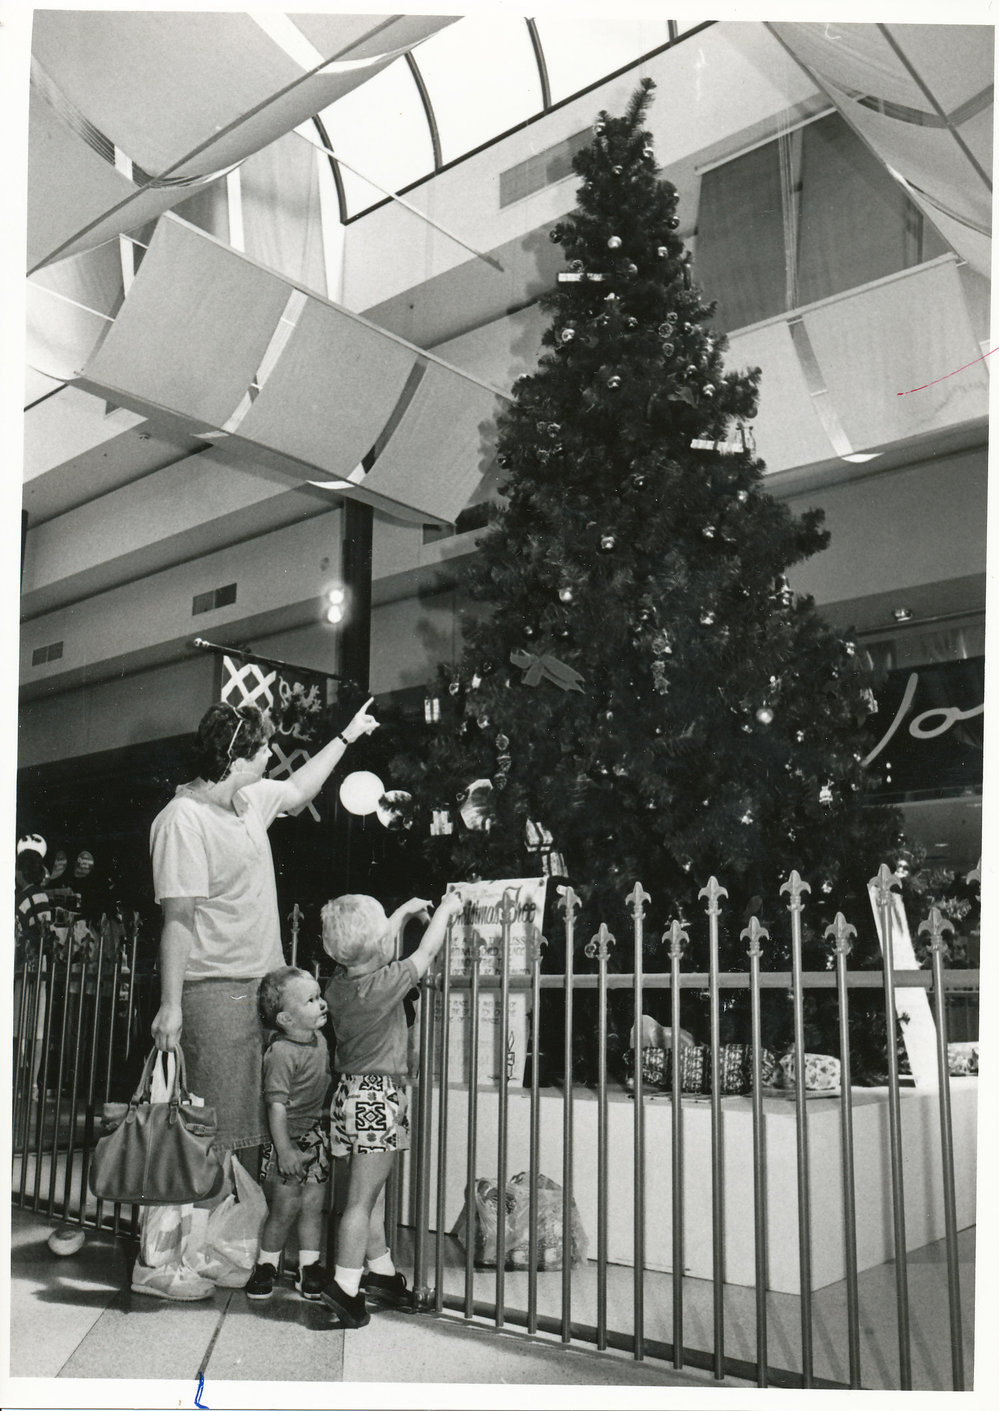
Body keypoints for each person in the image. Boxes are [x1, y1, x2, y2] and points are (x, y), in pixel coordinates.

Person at [140, 695, 377, 1301]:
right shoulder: (182, 820)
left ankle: (212, 1247)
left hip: (261, 988)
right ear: (234, 757)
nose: (271, 757)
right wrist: (171, 1004)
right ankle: (165, 1262)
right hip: (211, 988)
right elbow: (179, 919)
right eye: (263, 749)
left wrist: (347, 737)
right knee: (204, 1131)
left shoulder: (248, 802)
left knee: (241, 1130)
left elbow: (298, 790)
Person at [318, 888, 465, 1328]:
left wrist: (400, 912)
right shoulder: (385, 984)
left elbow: (379, 944)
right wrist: (446, 911)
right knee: (361, 1202)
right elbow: (426, 951)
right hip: (378, 1098)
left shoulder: (339, 986)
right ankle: (345, 1288)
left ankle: (380, 1271)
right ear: (378, 943)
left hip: (349, 1096)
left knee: (369, 1196)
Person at [246, 967, 333, 1303]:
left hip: (313, 1134)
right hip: (286, 1138)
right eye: (310, 1000)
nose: (321, 1004)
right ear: (286, 1019)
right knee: (286, 1205)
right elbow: (276, 1106)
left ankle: (309, 1267)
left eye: (319, 996)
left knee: (313, 1204)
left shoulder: (319, 1040)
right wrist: (284, 1150)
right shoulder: (280, 1053)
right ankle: (266, 1264)